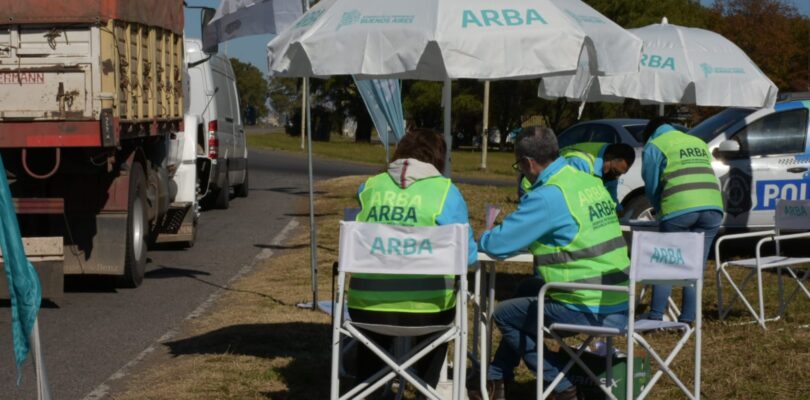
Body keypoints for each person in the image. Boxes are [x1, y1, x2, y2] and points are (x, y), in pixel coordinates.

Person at [473, 126, 630, 400]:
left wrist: (484, 236)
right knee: (525, 290)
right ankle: (497, 376)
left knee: (505, 315)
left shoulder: (548, 195)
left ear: (528, 163)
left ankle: (559, 382)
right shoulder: (587, 181)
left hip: (582, 302)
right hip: (618, 296)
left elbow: (498, 245)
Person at [348, 128, 478, 393]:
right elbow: (468, 257)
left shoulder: (369, 187)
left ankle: (368, 390)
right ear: (439, 158)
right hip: (427, 311)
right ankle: (426, 389)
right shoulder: (446, 193)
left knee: (372, 340)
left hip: (366, 307)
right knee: (434, 336)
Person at [641, 117, 724, 323]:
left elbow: (651, 185)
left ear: (651, 133)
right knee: (695, 266)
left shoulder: (655, 145)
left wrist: (659, 208)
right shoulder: (697, 142)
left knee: (667, 263)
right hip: (713, 206)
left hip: (679, 208)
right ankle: (688, 318)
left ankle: (655, 317)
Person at [519, 142, 636, 208]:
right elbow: (572, 199)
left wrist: (619, 211)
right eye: (615, 172)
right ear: (608, 157)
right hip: (533, 187)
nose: (616, 177)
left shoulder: (610, 168)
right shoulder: (580, 163)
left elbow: (611, 198)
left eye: (620, 174)